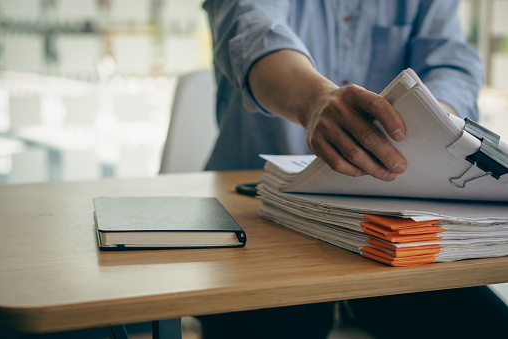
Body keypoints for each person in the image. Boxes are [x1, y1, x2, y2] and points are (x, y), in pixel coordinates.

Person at [199, 1, 508, 338]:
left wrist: (434, 122)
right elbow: (251, 28)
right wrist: (315, 99)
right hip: (258, 217)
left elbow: (451, 63)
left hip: (390, 228)